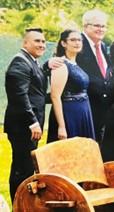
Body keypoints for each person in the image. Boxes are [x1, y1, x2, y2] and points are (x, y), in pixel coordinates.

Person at [4, 28, 49, 203]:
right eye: (37, 41)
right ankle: (18, 203)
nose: (41, 45)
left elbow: (36, 93)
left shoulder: (32, 62)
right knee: (21, 168)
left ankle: (23, 202)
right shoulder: (20, 63)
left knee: (26, 167)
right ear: (25, 43)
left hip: (28, 126)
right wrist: (33, 123)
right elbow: (19, 96)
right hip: (23, 127)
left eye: (43, 41)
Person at [47, 29, 95, 142]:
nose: (77, 42)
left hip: (83, 112)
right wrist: (62, 126)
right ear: (64, 43)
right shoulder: (61, 65)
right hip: (69, 115)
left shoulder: (76, 64)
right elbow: (55, 97)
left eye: (79, 40)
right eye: (73, 40)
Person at [77, 9, 112, 145]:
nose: (101, 29)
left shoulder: (102, 46)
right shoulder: (77, 43)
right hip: (83, 108)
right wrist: (48, 64)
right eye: (97, 25)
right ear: (86, 26)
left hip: (100, 109)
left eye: (103, 26)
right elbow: (59, 61)